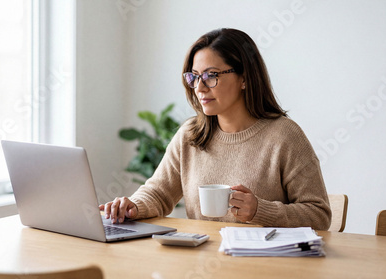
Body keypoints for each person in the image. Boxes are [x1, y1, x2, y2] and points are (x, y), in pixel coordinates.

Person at [99, 28, 332, 230]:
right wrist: (133, 206)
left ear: (245, 78)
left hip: (265, 265)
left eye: (212, 76)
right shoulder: (191, 135)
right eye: (195, 76)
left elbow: (319, 215)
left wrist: (260, 210)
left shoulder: (285, 136)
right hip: (202, 262)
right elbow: (158, 193)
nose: (199, 88)